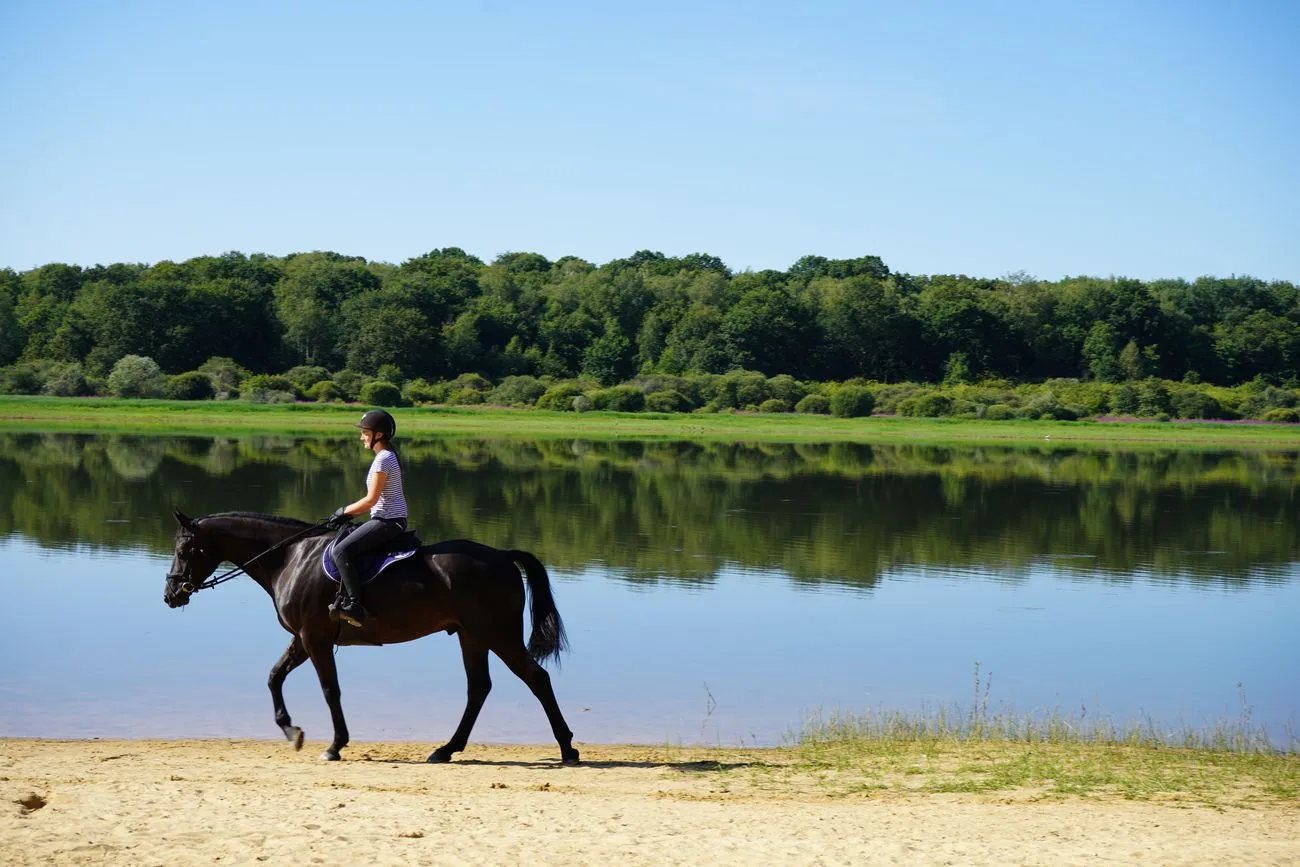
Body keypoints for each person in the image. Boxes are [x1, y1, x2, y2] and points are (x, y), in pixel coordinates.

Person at [325, 409, 407, 626]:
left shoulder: (384, 460)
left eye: (365, 432)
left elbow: (371, 500)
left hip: (388, 522)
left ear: (378, 435)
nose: (361, 436)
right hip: (385, 519)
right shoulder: (386, 456)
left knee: (340, 551)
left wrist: (344, 512)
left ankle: (355, 606)